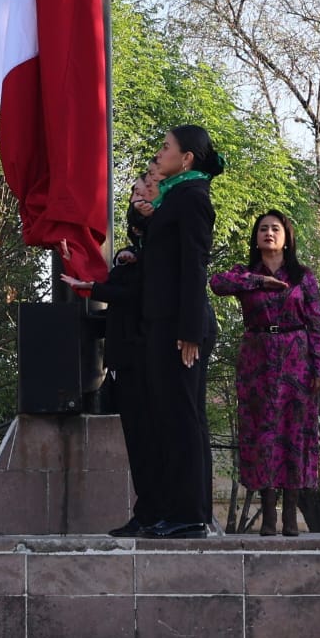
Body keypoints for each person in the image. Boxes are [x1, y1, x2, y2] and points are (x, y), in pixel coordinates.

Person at [209, 210, 320, 537]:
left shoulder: (303, 276)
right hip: (257, 357)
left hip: (297, 358)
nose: (269, 233)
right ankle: (269, 513)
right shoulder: (245, 273)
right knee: (262, 434)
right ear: (256, 237)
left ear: (287, 237)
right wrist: (259, 281)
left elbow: (317, 324)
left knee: (294, 432)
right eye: (263, 228)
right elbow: (217, 283)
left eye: (275, 228)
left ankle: (290, 511)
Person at [131, 125, 224, 539]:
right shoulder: (172, 198)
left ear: (186, 158)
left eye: (166, 148)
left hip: (181, 326)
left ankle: (190, 513)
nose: (160, 153)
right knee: (166, 416)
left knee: (183, 418)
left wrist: (189, 329)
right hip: (161, 320)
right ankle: (174, 509)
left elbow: (194, 266)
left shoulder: (193, 198)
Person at [62, 160, 161, 536]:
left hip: (148, 353)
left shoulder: (158, 246)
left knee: (151, 439)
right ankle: (147, 511)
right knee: (136, 440)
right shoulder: (132, 250)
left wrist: (97, 289)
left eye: (147, 189)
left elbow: (141, 290)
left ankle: (158, 512)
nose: (139, 197)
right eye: (135, 192)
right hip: (125, 357)